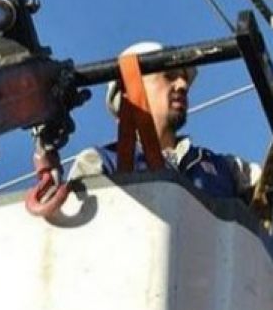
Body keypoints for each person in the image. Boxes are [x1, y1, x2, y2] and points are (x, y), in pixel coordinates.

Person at [69, 41, 259, 200]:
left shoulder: (228, 169)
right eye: (169, 76)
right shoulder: (100, 162)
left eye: (184, 79)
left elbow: (269, 191)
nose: (183, 85)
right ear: (131, 90)